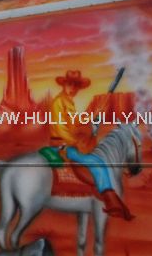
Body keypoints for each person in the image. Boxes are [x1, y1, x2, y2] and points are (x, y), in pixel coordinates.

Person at [50, 70, 134, 220]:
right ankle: (110, 200)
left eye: (76, 86)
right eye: (70, 85)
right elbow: (61, 128)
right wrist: (76, 142)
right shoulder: (58, 102)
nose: (73, 88)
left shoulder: (69, 102)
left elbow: (76, 122)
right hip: (62, 145)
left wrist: (93, 117)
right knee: (95, 161)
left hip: (70, 143)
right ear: (64, 85)